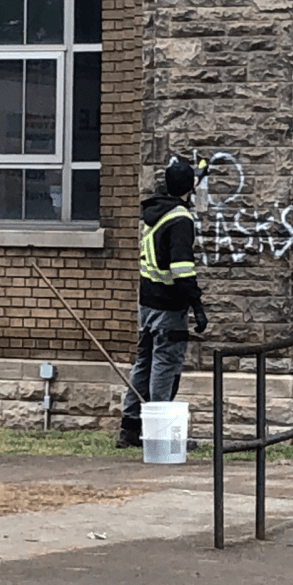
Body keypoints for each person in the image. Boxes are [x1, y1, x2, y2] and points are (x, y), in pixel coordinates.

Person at [116, 158, 209, 449]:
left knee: (144, 362)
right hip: (169, 305)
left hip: (147, 302)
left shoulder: (156, 213)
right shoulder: (180, 219)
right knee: (165, 364)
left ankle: (129, 429)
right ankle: (159, 432)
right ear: (188, 188)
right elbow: (182, 268)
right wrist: (197, 306)